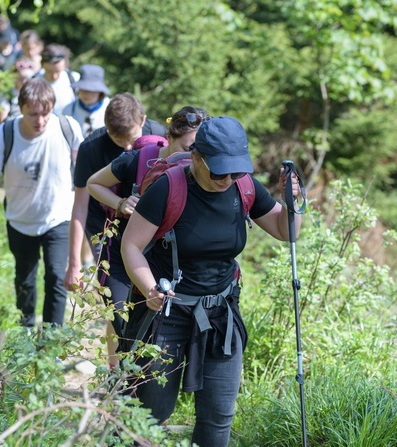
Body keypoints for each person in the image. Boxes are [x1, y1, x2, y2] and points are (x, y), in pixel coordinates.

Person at [120, 116, 303, 447]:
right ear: (196, 157)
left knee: (218, 418)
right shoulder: (168, 189)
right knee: (148, 416)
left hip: (221, 314)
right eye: (219, 171)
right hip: (167, 312)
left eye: (234, 171)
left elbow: (283, 230)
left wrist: (294, 206)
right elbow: (130, 246)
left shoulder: (243, 186)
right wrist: (149, 287)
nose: (227, 179)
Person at [85, 106, 209, 368]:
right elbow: (93, 183)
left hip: (155, 256)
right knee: (119, 316)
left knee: (146, 320)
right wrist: (120, 203)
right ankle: (115, 377)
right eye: (189, 147)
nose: (194, 155)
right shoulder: (138, 159)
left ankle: (136, 380)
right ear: (170, 138)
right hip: (119, 250)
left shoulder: (196, 171)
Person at [63, 93, 167, 352]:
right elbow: (80, 206)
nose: (128, 147)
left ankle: (133, 369)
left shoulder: (160, 136)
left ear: (143, 120)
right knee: (116, 305)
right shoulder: (92, 147)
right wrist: (74, 263)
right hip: (105, 230)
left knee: (146, 298)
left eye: (131, 137)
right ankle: (114, 369)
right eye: (117, 140)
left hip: (147, 229)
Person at [0, 78, 84, 328]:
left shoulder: (68, 128)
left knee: (56, 279)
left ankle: (50, 344)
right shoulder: (4, 134)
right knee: (24, 279)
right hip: (19, 219)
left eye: (45, 113)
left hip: (58, 218)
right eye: (33, 114)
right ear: (21, 108)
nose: (40, 120)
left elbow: (83, 178)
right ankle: (25, 334)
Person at [61, 64, 112, 137]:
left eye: (90, 90)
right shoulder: (68, 110)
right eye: (82, 89)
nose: (85, 94)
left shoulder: (110, 108)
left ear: (100, 92)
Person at [34, 44, 79, 116]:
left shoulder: (74, 78)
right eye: (49, 72)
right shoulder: (33, 81)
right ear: (42, 65)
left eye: (58, 72)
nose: (54, 76)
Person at [0, 57, 38, 124]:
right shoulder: (7, 95)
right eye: (21, 79)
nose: (24, 82)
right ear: (14, 78)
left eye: (28, 78)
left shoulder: (37, 94)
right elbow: (2, 121)